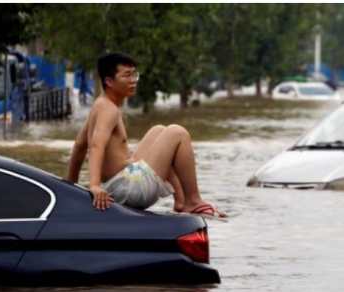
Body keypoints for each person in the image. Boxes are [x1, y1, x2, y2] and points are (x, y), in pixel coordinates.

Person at [66, 52, 226, 218]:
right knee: (177, 133)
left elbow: (79, 146)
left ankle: (180, 201)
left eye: (134, 74)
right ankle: (193, 200)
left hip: (120, 184)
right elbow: (96, 145)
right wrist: (94, 185)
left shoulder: (99, 105)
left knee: (158, 131)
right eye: (127, 75)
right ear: (109, 81)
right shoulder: (108, 109)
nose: (134, 80)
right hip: (127, 188)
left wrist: (69, 188)